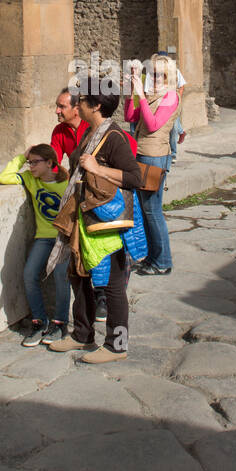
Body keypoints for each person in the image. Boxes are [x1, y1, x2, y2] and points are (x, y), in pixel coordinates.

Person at [47, 80, 145, 364]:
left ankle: (117, 346)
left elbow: (134, 178)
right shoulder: (90, 132)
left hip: (106, 223)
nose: (77, 105)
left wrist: (98, 168)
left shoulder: (114, 137)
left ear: (97, 105)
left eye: (82, 101)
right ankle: (82, 334)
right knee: (79, 276)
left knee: (113, 286)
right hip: (85, 219)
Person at [0, 143, 70, 346]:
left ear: (49, 163)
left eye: (35, 162)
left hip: (63, 238)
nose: (31, 167)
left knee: (60, 276)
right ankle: (39, 321)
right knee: (29, 274)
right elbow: (4, 177)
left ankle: (60, 323)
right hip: (43, 237)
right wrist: (22, 157)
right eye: (30, 163)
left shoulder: (66, 184)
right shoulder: (31, 179)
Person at [126, 54, 180, 276]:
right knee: (146, 210)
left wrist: (141, 93)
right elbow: (130, 115)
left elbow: (152, 125)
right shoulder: (152, 95)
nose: (155, 78)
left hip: (155, 156)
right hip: (142, 154)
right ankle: (152, 257)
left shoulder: (170, 97)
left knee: (152, 210)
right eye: (152, 73)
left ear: (169, 77)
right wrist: (133, 88)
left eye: (160, 75)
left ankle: (163, 261)